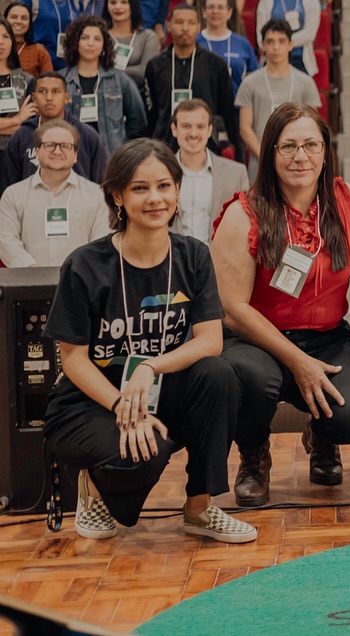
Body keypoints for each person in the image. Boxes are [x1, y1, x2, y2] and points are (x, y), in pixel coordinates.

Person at [44, 137, 256, 543]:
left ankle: (200, 507)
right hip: (91, 401)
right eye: (140, 188)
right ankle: (94, 485)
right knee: (147, 453)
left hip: (156, 388)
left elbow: (210, 341)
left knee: (219, 375)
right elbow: (73, 360)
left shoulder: (193, 255)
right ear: (117, 196)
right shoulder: (85, 265)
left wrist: (149, 366)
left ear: (177, 191)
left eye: (164, 186)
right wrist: (122, 406)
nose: (155, 198)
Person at [214, 103, 350, 506]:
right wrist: (299, 362)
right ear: (270, 152)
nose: (300, 156)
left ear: (325, 151)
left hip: (327, 338)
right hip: (256, 340)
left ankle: (321, 434)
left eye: (310, 145)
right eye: (288, 146)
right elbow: (232, 309)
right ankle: (254, 454)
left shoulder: (349, 201)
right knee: (251, 379)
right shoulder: (243, 212)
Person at [0, 119, 108, 268]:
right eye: (50, 145)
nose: (57, 151)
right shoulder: (13, 195)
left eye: (65, 146)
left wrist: (75, 274)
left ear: (75, 155)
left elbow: (101, 243)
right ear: (37, 152)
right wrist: (31, 269)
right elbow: (6, 240)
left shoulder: (97, 196)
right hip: (27, 279)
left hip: (81, 279)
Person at [143, 4, 238, 155]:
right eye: (179, 22)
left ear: (199, 27)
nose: (185, 28)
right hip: (165, 149)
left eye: (191, 23)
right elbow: (151, 112)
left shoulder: (215, 64)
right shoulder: (155, 65)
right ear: (169, 26)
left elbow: (227, 112)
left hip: (207, 148)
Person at [235, 19, 321, 177]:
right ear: (262, 46)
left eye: (281, 41)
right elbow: (245, 128)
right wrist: (266, 156)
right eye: (270, 41)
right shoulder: (249, 83)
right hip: (260, 163)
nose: (275, 47)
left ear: (290, 44)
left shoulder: (305, 82)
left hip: (296, 162)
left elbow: (313, 127)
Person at [2, 71, 107, 189]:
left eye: (55, 91)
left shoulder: (88, 136)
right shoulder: (21, 136)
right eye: (42, 91)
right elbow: (10, 187)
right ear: (34, 98)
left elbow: (99, 187)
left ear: (66, 98)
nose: (49, 98)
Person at [59, 15, 146, 155]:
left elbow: (138, 122)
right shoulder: (61, 80)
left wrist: (123, 149)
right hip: (70, 156)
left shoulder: (120, 80)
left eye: (97, 39)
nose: (91, 44)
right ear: (75, 42)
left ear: (104, 45)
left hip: (110, 158)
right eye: (85, 38)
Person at [171, 97, 247, 244]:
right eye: (186, 126)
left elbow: (245, 227)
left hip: (219, 257)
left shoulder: (236, 174)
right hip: (173, 256)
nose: (193, 133)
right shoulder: (159, 173)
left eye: (200, 126)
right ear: (174, 129)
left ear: (209, 130)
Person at [256, 0, 322, 79]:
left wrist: (280, 42)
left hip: (300, 60)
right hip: (272, 59)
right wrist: (279, 45)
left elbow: (309, 34)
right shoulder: (265, 2)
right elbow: (261, 36)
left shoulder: (311, 0)